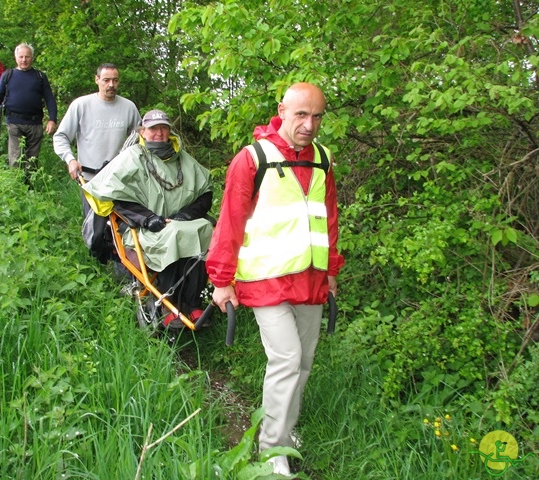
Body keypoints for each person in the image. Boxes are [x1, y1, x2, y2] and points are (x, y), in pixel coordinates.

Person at [206, 82, 345, 476]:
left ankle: (283, 429)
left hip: (311, 280)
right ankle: (272, 450)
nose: (309, 124)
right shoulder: (252, 159)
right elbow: (230, 222)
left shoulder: (322, 160)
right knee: (286, 359)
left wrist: (332, 270)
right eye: (301, 114)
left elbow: (329, 219)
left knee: (304, 362)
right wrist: (221, 279)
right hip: (266, 281)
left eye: (317, 116)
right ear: (282, 110)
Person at [82, 110, 213, 326]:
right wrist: (147, 218)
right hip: (144, 228)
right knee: (172, 237)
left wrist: (185, 215)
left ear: (169, 131)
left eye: (163, 128)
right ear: (143, 131)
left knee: (204, 230)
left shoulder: (184, 160)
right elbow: (113, 196)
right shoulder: (131, 157)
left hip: (181, 222)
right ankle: (167, 305)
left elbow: (205, 192)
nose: (159, 133)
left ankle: (192, 304)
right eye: (153, 129)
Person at [53, 63, 141, 264]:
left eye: (115, 80)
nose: (111, 85)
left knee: (124, 226)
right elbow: (61, 136)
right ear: (97, 80)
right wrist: (70, 160)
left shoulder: (128, 107)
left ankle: (124, 268)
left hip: (121, 178)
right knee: (96, 228)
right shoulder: (81, 105)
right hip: (91, 179)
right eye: (106, 80)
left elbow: (139, 139)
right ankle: (97, 266)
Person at [0, 43, 58, 180]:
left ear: (32, 58)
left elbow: (49, 99)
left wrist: (52, 119)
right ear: (16, 58)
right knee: (16, 158)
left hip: (35, 123)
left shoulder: (40, 77)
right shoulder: (8, 75)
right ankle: (17, 185)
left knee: (32, 160)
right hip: (14, 122)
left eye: (27, 57)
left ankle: (30, 187)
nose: (24, 60)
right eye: (21, 57)